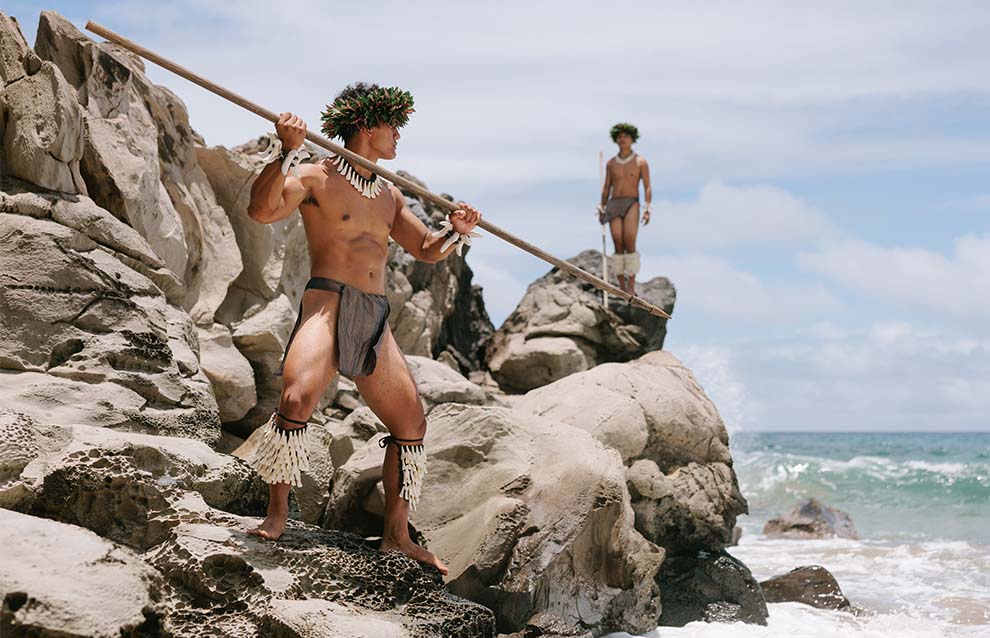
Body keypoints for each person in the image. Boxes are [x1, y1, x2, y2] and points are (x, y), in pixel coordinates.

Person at [243, 82, 482, 575]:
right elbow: (261, 210)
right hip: (328, 304)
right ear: (369, 127)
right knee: (295, 401)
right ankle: (277, 514)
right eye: (393, 127)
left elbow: (425, 250)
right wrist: (284, 153)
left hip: (373, 316)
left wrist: (454, 231)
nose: (398, 137)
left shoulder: (389, 195)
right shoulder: (314, 175)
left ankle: (396, 535)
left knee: (411, 424)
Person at [597, 122, 652, 295]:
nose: (622, 139)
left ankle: (631, 285)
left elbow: (647, 186)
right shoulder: (611, 164)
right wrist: (602, 206)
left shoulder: (640, 162)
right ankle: (621, 284)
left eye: (625, 136)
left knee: (630, 241)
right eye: (619, 136)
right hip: (614, 204)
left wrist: (647, 208)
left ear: (632, 139)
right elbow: (607, 187)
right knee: (617, 242)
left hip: (632, 203)